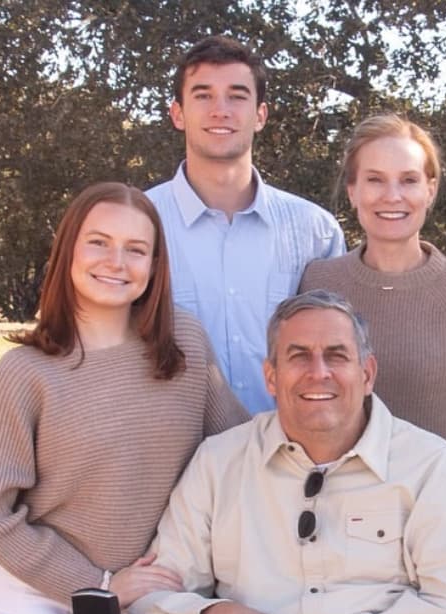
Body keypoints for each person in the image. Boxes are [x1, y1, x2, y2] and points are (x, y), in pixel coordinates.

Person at [0, 182, 249, 614]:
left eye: (137, 249)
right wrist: (99, 584)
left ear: (156, 264)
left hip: (151, 606)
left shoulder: (183, 347)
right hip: (41, 606)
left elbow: (239, 454)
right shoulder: (27, 371)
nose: (117, 262)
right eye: (99, 242)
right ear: (68, 252)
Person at [125, 289, 446, 614]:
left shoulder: (430, 467)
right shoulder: (220, 463)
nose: (319, 373)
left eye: (337, 356)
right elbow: (146, 607)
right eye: (299, 357)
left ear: (367, 373)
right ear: (270, 376)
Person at [299, 114, 446, 514]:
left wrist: (445, 477)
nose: (392, 195)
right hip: (337, 517)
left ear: (430, 190)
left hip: (442, 521)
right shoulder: (318, 284)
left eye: (409, 180)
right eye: (374, 180)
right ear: (353, 191)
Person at [145, 35, 345, 413]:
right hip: (176, 457)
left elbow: (341, 346)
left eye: (237, 96)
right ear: (177, 114)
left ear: (260, 115)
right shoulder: (141, 224)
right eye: (203, 95)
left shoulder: (315, 231)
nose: (221, 110)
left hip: (288, 455)